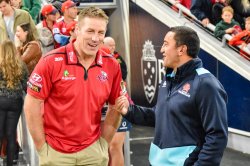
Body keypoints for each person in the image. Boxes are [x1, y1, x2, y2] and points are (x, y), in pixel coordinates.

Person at [24, 6, 123, 166]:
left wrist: (103, 144)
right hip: (56, 154)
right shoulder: (51, 61)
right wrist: (42, 148)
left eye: (101, 33)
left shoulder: (111, 64)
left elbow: (116, 105)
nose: (95, 38)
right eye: (90, 31)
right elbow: (32, 104)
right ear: (77, 29)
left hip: (93, 153)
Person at [115, 26, 228, 166]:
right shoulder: (169, 78)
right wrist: (130, 111)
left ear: (181, 49)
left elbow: (217, 136)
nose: (161, 49)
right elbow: (160, 115)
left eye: (166, 44)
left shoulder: (206, 84)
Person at [103, 36, 131, 166]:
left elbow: (123, 79)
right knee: (103, 148)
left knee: (115, 146)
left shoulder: (117, 60)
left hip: (119, 106)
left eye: (113, 46)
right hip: (99, 110)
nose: (112, 48)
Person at [0, 40, 28, 166]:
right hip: (15, 102)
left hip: (0, 100)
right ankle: (10, 164)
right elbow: (25, 84)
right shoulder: (21, 65)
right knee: (11, 134)